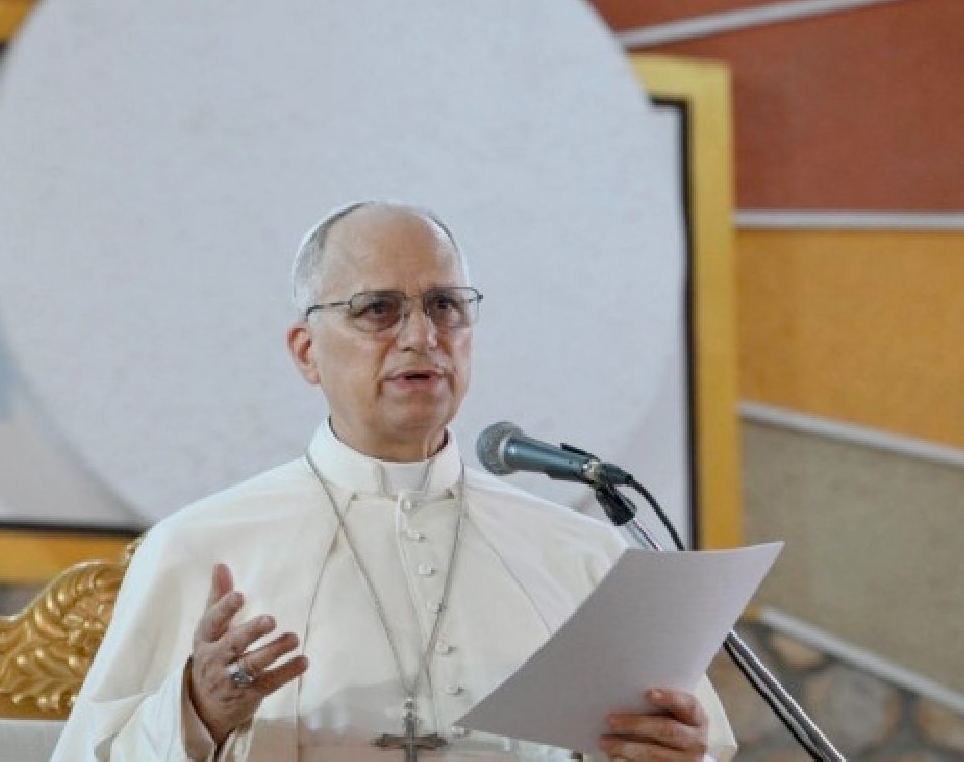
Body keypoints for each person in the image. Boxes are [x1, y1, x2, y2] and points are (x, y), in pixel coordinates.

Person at [50, 202, 735, 761]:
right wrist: (196, 712)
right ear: (306, 352)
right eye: (377, 309)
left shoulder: (583, 555)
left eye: (445, 306)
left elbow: (687, 747)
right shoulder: (198, 548)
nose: (421, 336)